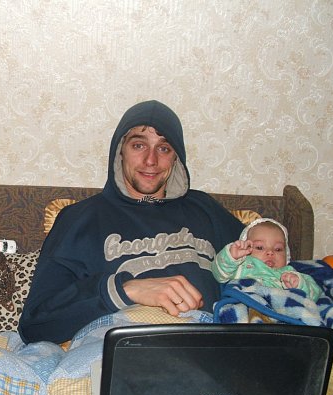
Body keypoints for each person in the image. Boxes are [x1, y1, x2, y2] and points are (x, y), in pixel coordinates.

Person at [18, 100, 245, 344]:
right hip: (118, 347)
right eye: (139, 145)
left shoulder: (205, 209)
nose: (151, 160)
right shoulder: (79, 219)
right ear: (120, 150)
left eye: (164, 148)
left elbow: (266, 267)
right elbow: (35, 326)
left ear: (176, 158)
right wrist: (126, 290)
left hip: (207, 345)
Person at [211, 218, 321, 301]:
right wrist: (231, 257)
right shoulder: (243, 265)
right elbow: (219, 274)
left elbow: (315, 293)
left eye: (278, 249)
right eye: (260, 247)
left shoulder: (289, 272)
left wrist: (299, 284)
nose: (270, 252)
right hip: (248, 304)